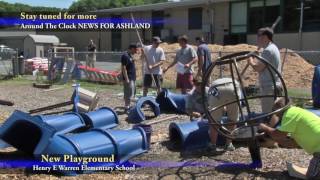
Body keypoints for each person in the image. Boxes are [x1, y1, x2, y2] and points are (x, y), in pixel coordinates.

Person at [259, 97, 320, 179]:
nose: (276, 116)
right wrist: (276, 140)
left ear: (279, 110)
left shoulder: (289, 115)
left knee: (312, 176)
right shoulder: (295, 112)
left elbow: (278, 135)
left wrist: (264, 128)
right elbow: (292, 143)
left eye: (276, 113)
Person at [248, 27, 282, 113]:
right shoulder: (273, 48)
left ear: (265, 37)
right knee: (275, 114)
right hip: (274, 85)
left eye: (259, 36)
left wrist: (250, 60)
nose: (257, 38)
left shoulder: (268, 50)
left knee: (268, 115)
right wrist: (257, 55)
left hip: (269, 88)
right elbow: (265, 62)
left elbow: (258, 67)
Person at [207, 77, 241, 152]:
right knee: (233, 119)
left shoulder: (211, 85)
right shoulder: (235, 82)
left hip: (216, 88)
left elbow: (209, 104)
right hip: (233, 87)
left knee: (214, 120)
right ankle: (229, 144)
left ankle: (213, 144)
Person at [121, 43, 138, 112]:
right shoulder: (125, 56)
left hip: (132, 77)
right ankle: (126, 106)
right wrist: (127, 78)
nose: (136, 52)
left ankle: (128, 106)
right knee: (128, 92)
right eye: (135, 50)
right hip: (128, 77)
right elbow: (123, 68)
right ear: (132, 49)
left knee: (132, 92)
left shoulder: (130, 55)